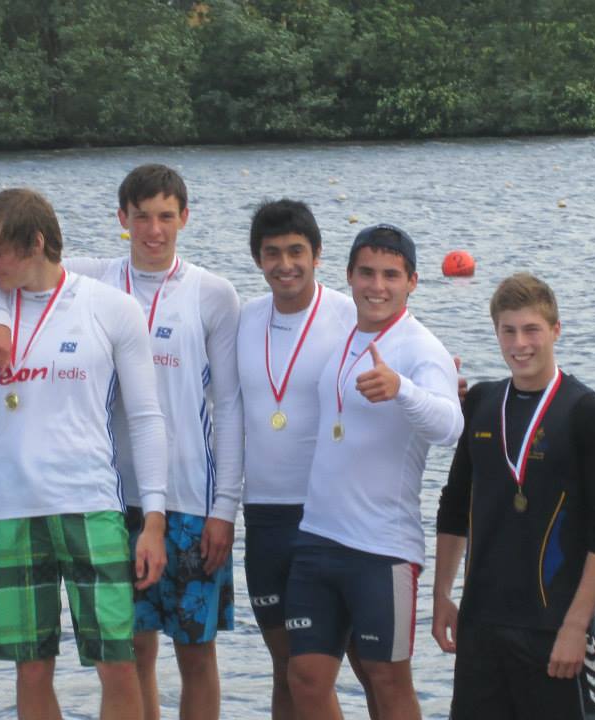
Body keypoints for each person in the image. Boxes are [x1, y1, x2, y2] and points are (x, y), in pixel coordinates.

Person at [0, 166, 243, 720]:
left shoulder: (214, 293)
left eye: (166, 216)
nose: (154, 230)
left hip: (188, 495)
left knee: (196, 650)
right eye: (141, 217)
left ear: (184, 218)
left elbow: (231, 406)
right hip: (109, 499)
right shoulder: (95, 276)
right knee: (129, 651)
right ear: (122, 219)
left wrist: (225, 508)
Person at [0, 188, 169, 720]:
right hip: (9, 512)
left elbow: (146, 417)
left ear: (36, 243)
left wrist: (154, 519)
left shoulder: (112, 308)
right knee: (31, 668)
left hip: (92, 505)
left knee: (117, 663)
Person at [284, 224, 463, 720]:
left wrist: (402, 389)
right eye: (367, 273)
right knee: (305, 679)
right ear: (349, 276)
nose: (377, 286)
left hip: (382, 549)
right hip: (317, 536)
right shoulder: (346, 335)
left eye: (391, 275)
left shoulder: (421, 348)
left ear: (413, 282)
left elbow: (450, 426)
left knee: (386, 680)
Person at [434, 273, 595, 720]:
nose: (520, 344)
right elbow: (455, 504)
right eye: (509, 331)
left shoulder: (589, 413)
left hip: (555, 628)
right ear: (496, 332)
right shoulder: (481, 403)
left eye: (532, 330)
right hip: (481, 626)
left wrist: (577, 624)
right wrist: (442, 595)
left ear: (556, 330)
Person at [238, 199, 360, 718]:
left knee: (351, 670)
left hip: (329, 517)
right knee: (286, 667)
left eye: (296, 251)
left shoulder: (350, 315)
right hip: (263, 516)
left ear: (317, 254)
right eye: (272, 253)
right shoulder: (244, 318)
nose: (285, 264)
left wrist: (445, 384)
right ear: (257, 259)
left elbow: (406, 358)